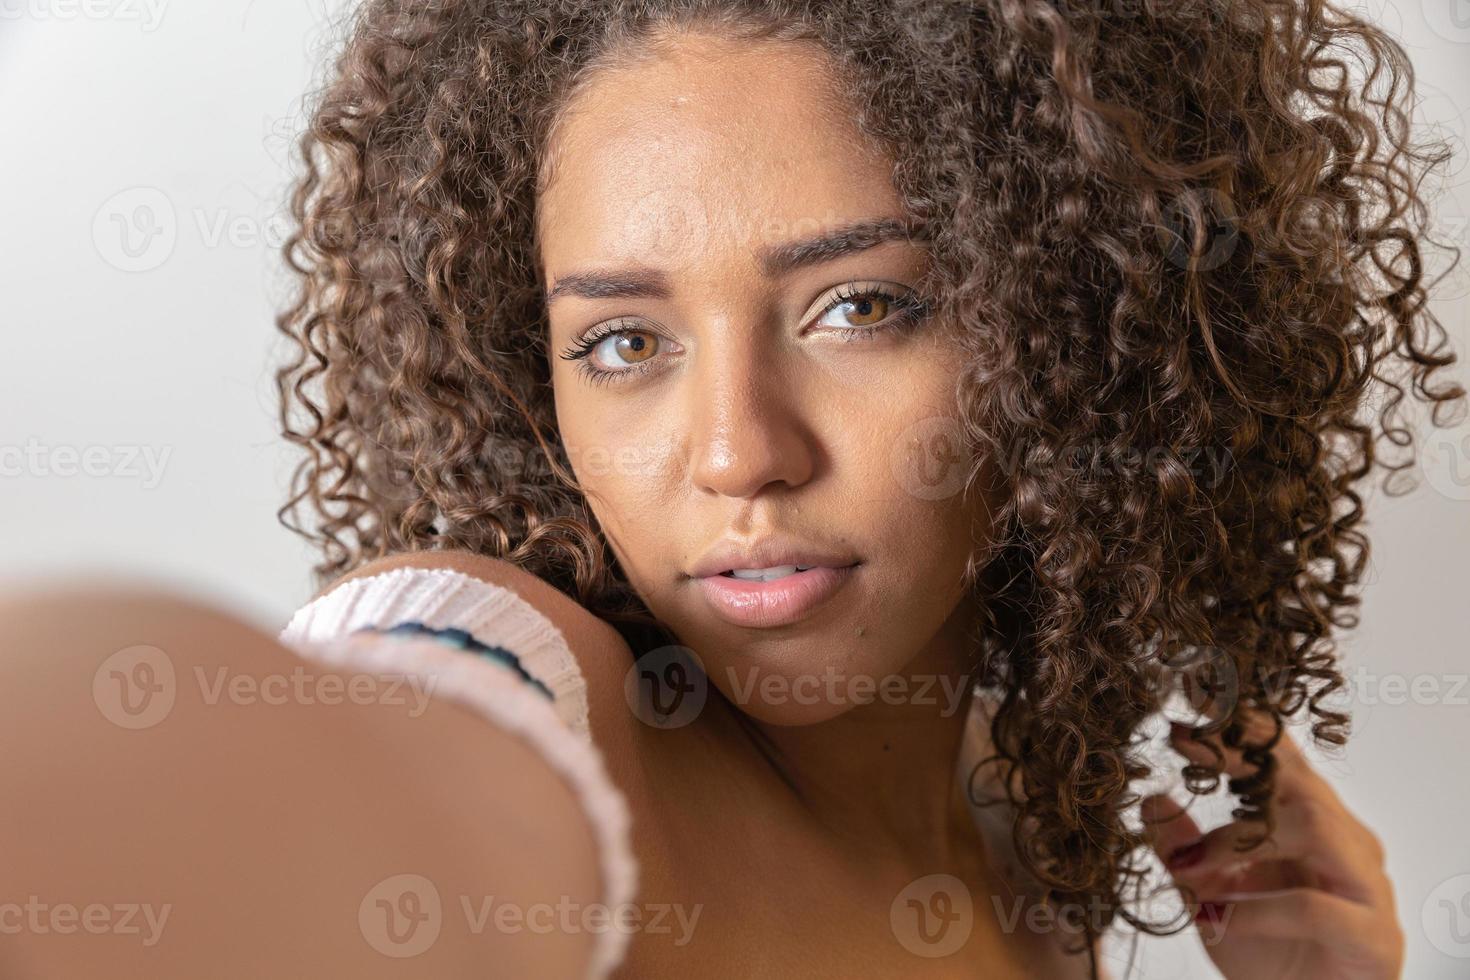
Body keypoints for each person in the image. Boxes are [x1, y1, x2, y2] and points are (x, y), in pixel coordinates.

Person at [4, 1, 1462, 977]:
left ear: (1081, 324)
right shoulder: (519, 694)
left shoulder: (1017, 830)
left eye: (859, 308)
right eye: (623, 342)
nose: (734, 452)